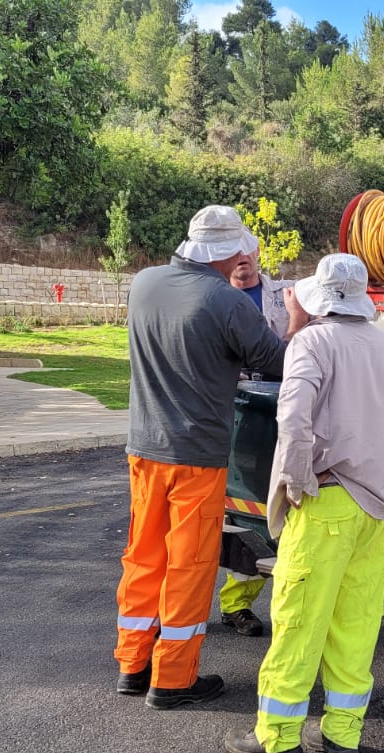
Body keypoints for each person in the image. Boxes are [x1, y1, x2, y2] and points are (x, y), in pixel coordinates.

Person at [224, 253, 384, 753]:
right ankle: (343, 734)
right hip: (375, 507)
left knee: (299, 619)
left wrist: (297, 482)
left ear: (319, 297)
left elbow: (293, 420)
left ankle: (278, 735)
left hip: (327, 503)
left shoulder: (312, 342)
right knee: (356, 622)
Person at [114, 205, 285, 709]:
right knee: (188, 564)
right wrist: (303, 327)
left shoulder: (144, 283)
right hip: (197, 456)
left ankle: (133, 665)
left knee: (144, 556)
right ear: (232, 251)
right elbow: (276, 359)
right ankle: (173, 679)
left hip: (145, 448)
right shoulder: (226, 301)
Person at [217, 249, 304, 637]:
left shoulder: (287, 294)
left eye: (247, 251)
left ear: (255, 253)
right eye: (233, 253)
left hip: (287, 416)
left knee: (283, 512)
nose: (242, 259)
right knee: (246, 516)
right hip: (239, 418)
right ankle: (235, 604)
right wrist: (296, 324)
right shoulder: (217, 301)